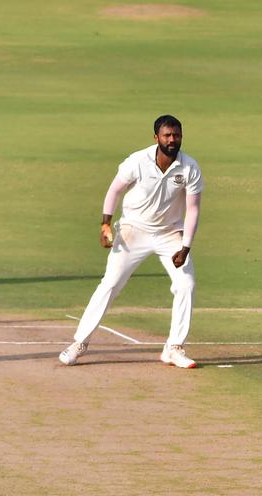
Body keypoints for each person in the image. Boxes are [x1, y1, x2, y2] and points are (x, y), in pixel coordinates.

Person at [59, 114, 204, 368]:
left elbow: (193, 209)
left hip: (170, 234)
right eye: (167, 135)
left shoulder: (190, 167)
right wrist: (105, 223)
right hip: (132, 231)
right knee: (110, 284)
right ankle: (79, 343)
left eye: (177, 135)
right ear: (156, 137)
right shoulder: (138, 161)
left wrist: (185, 246)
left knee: (186, 285)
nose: (173, 140)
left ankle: (174, 348)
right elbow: (114, 190)